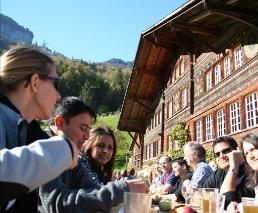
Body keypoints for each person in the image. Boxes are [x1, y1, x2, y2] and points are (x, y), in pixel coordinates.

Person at [0, 47, 78, 211]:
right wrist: (63, 149)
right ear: (35, 82)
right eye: (56, 84)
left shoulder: (29, 132)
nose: (59, 96)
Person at [39, 97, 149, 213]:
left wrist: (124, 188)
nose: (87, 136)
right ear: (60, 123)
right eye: (83, 128)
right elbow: (56, 205)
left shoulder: (70, 153)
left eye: (89, 129)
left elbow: (93, 189)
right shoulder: (46, 148)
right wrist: (122, 188)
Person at [203, 136, 254, 208]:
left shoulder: (251, 172)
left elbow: (225, 203)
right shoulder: (217, 175)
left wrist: (234, 166)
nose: (221, 156)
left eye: (226, 151)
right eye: (217, 154)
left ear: (237, 150)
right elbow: (202, 196)